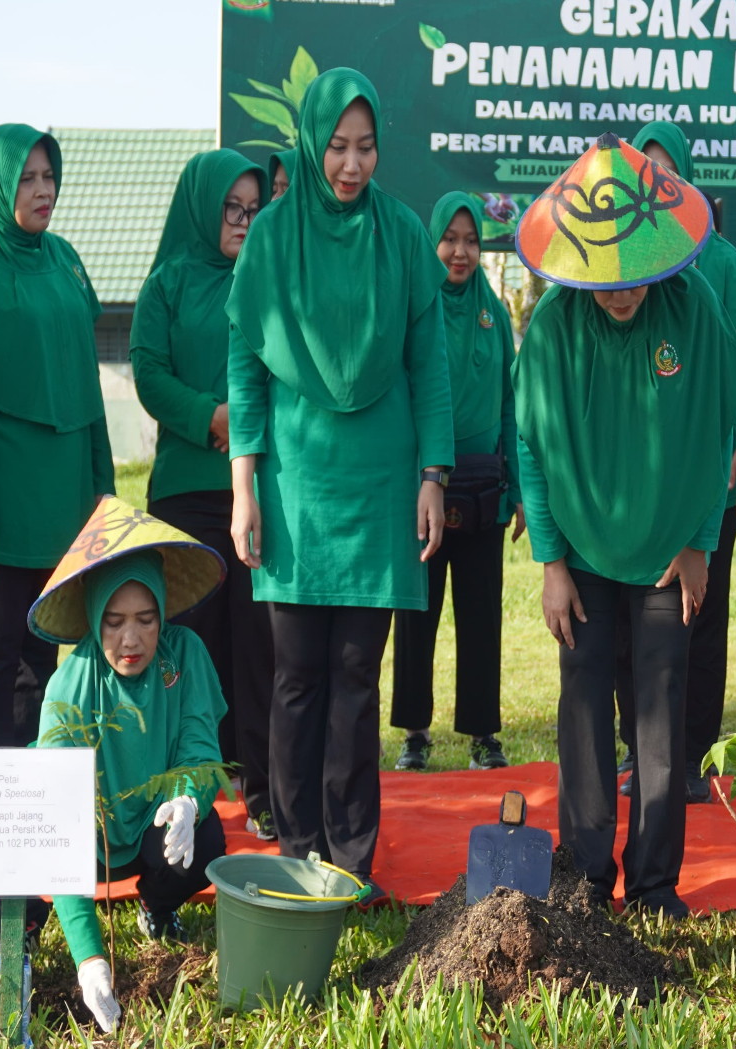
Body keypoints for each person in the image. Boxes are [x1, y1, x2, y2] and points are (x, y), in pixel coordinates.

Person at [227, 68, 452, 896]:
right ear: (312, 143)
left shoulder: (399, 234)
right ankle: (298, 842)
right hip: (296, 487)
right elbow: (246, 367)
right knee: (296, 678)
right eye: (337, 147)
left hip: (381, 486)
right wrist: (245, 485)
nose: (352, 165)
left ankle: (349, 857)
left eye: (365, 148)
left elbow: (429, 369)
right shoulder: (274, 237)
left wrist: (434, 475)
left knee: (358, 675)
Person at [512, 132, 736, 917]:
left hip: (667, 551)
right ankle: (583, 874)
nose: (621, 291)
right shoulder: (550, 329)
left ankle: (652, 883)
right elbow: (531, 449)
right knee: (582, 704)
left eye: (634, 274)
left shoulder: (695, 307)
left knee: (659, 708)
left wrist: (699, 543)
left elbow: (716, 432)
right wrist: (550, 561)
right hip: (579, 550)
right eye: (605, 278)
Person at [612, 120, 736, 803]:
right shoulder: (614, 258)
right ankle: (636, 754)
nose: (656, 188)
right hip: (635, 485)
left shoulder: (723, 264)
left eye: (667, 176)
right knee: (628, 615)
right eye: (644, 175)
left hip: (708, 477)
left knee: (700, 615)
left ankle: (698, 759)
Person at [0, 124, 115, 756]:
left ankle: (41, 794)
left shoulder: (66, 259)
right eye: (27, 179)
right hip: (3, 498)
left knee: (51, 648)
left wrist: (102, 489)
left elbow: (87, 384)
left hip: (65, 492)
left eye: (49, 176)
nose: (43, 190)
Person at [29, 498, 227, 1033]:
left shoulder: (185, 655)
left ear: (164, 613)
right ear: (94, 620)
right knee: (17, 844)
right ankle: (30, 939)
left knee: (205, 841)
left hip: (147, 824)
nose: (131, 639)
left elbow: (200, 750)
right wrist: (94, 962)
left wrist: (187, 799)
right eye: (113, 622)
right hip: (81, 836)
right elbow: (55, 823)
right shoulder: (71, 684)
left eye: (146, 619)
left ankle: (156, 909)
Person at [131, 149, 276, 839]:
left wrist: (244, 426)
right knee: (192, 642)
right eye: (232, 209)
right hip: (187, 492)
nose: (244, 222)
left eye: (254, 209)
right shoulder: (168, 284)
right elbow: (148, 372)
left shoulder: (269, 277)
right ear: (202, 207)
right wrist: (207, 417)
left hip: (257, 492)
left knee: (260, 641)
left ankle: (264, 782)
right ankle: (192, 784)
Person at [391, 192, 518, 772]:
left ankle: (482, 734)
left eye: (470, 240)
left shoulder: (496, 316)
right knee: (418, 613)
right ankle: (415, 733)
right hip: (426, 489)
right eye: (450, 239)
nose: (460, 252)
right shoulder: (415, 311)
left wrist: (514, 486)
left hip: (484, 488)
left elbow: (511, 405)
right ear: (431, 242)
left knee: (480, 614)